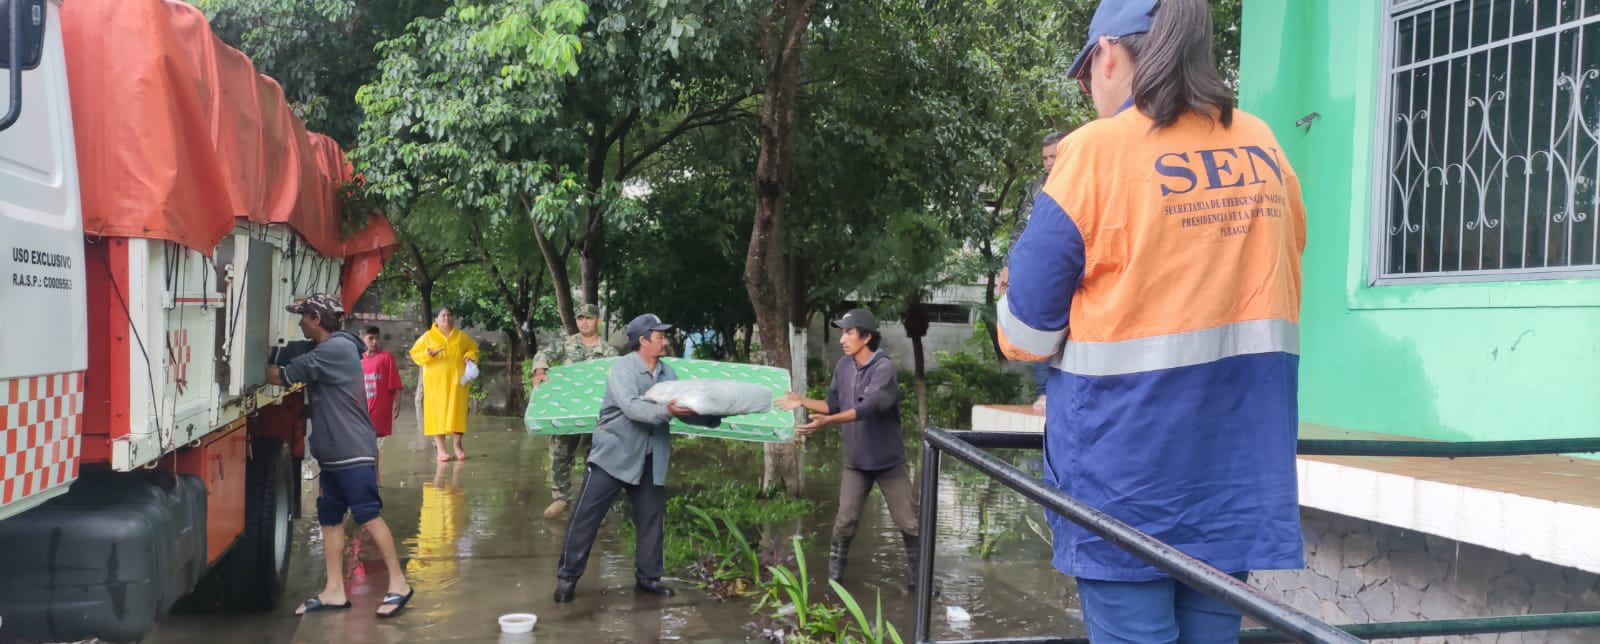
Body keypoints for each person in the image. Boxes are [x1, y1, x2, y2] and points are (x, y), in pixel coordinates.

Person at [998, 0, 1307, 641]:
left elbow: (1024, 337)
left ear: (1109, 52)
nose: (1090, 91)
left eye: (1087, 73)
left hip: (1124, 480)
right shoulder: (1265, 146)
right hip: (1235, 474)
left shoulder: (1094, 154)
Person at [553, 314, 719, 603]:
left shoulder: (668, 374)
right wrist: (668, 411)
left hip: (650, 458)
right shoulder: (623, 369)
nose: (664, 341)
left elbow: (683, 410)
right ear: (642, 341)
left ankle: (648, 578)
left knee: (651, 520)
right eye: (659, 336)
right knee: (585, 518)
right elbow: (632, 408)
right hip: (613, 455)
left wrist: (713, 415)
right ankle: (568, 577)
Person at [267, 294, 414, 618]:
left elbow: (280, 375)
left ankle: (399, 584)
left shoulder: (333, 351)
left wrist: (241, 366)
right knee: (330, 519)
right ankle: (334, 590)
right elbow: (290, 352)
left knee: (368, 515)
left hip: (351, 452)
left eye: (303, 317)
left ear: (317, 320)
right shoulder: (330, 347)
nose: (301, 322)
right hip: (333, 454)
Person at [777, 308, 919, 587]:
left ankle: (921, 583)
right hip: (856, 461)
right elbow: (833, 405)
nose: (842, 339)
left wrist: (827, 422)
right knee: (844, 523)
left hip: (888, 462)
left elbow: (867, 408)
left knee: (909, 523)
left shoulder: (883, 368)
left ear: (866, 337)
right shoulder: (843, 366)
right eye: (842, 332)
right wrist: (803, 401)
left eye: (848, 332)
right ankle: (835, 584)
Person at [528, 303, 618, 519]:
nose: (584, 322)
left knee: (595, 457)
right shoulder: (567, 344)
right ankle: (561, 498)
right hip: (567, 409)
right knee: (559, 452)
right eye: (580, 318)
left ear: (598, 320)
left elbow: (617, 377)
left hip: (595, 412)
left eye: (588, 318)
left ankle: (594, 504)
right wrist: (539, 370)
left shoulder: (609, 351)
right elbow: (543, 354)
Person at [999, 131, 1067, 413]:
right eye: (1045, 158)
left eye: (1054, 156)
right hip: (1042, 269)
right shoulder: (1037, 188)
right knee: (1040, 329)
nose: (1049, 163)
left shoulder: (1082, 181)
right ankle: (1043, 393)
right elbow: (1020, 229)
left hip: (1073, 266)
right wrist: (1008, 265)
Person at [409, 308, 480, 462]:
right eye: (443, 315)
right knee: (437, 414)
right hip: (436, 383)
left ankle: (457, 445)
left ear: (453, 318)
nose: (446, 318)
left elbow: (473, 349)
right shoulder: (427, 337)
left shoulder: (461, 337)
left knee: (458, 413)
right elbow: (414, 353)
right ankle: (441, 449)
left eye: (449, 315)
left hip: (457, 382)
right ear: (436, 319)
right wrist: (429, 354)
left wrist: (469, 358)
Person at [360, 326, 403, 481]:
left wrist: (397, 403)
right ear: (362, 339)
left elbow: (395, 384)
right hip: (359, 409)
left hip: (378, 409)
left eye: (377, 338)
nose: (375, 342)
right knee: (362, 443)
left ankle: (375, 476)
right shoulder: (356, 359)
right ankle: (368, 476)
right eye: (370, 338)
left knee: (370, 442)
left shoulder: (386, 358)